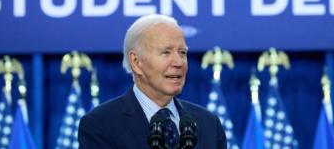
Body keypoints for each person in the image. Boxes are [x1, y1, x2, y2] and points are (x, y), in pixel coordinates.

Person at [78, 14, 227, 149]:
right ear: (136, 62)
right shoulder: (100, 125)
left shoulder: (209, 124)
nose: (178, 62)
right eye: (166, 52)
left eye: (182, 53)